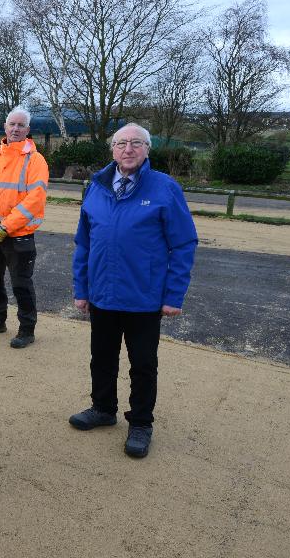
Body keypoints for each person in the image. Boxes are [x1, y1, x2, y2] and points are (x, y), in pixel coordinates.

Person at [69, 122, 198, 458]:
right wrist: (81, 288)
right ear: (112, 149)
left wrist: (173, 296)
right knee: (102, 358)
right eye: (121, 143)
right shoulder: (96, 187)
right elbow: (84, 242)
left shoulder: (165, 188)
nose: (128, 149)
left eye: (136, 143)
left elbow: (183, 244)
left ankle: (140, 422)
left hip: (144, 296)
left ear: (147, 149)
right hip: (102, 295)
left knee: (142, 364)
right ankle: (103, 409)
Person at [0, 106, 49, 349]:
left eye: (20, 125)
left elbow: (35, 199)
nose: (15, 129)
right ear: (5, 127)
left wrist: (5, 226)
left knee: (21, 284)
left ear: (28, 130)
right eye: (12, 124)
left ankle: (27, 329)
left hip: (19, 235)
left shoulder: (35, 160)